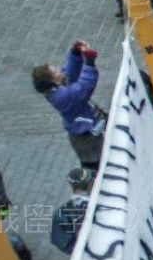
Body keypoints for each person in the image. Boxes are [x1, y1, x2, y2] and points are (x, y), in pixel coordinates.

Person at [33, 41, 108, 170]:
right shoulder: (62, 97)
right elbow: (84, 87)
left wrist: (75, 53)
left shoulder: (55, 88)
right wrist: (89, 63)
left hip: (87, 131)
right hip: (86, 138)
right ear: (52, 80)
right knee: (96, 167)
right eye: (55, 71)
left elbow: (69, 73)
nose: (59, 70)